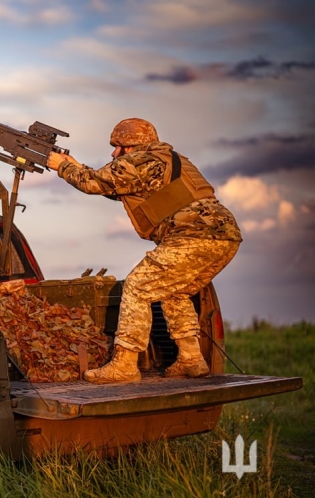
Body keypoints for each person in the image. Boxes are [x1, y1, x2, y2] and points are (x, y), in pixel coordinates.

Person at [47, 118, 242, 384]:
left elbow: (93, 183)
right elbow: (110, 184)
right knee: (174, 291)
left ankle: (125, 364)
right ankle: (191, 359)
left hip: (192, 237)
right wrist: (75, 167)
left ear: (131, 147)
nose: (113, 153)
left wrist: (62, 167)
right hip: (224, 237)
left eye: (117, 147)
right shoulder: (169, 159)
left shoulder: (140, 160)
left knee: (138, 286)